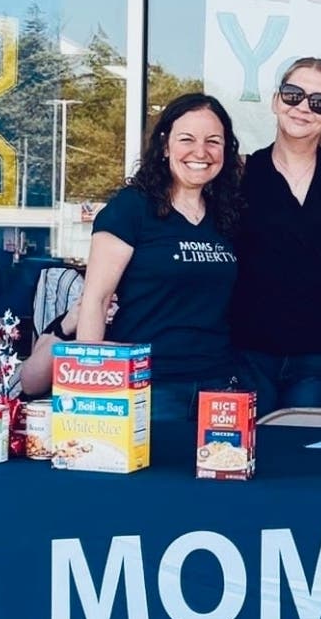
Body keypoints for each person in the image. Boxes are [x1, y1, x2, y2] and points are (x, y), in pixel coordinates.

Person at [71, 92, 245, 423]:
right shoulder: (132, 208)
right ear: (165, 146)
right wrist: (89, 390)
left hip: (219, 385)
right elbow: (96, 298)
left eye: (213, 141)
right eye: (187, 139)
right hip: (148, 385)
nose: (201, 152)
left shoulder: (227, 215)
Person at [229, 57, 321, 411]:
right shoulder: (242, 170)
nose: (303, 107)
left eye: (319, 102)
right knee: (249, 457)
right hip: (250, 350)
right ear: (276, 101)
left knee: (305, 458)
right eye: (293, 95)